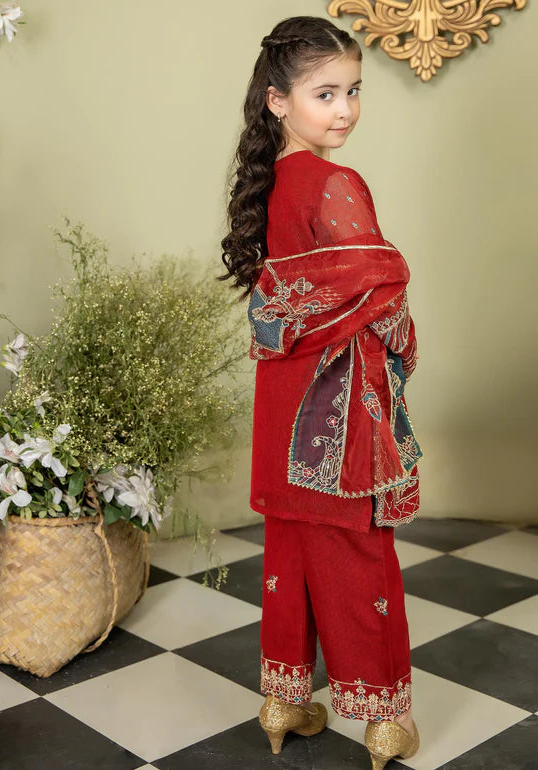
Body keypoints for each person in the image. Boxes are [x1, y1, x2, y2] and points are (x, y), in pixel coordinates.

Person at [219, 15, 422, 769]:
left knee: (292, 551)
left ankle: (286, 701)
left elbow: (283, 305)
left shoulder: (273, 183)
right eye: (324, 93)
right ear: (277, 101)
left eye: (354, 91)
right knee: (357, 556)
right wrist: (402, 330)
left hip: (283, 400)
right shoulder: (336, 181)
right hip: (336, 415)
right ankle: (384, 723)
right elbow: (379, 284)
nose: (344, 110)